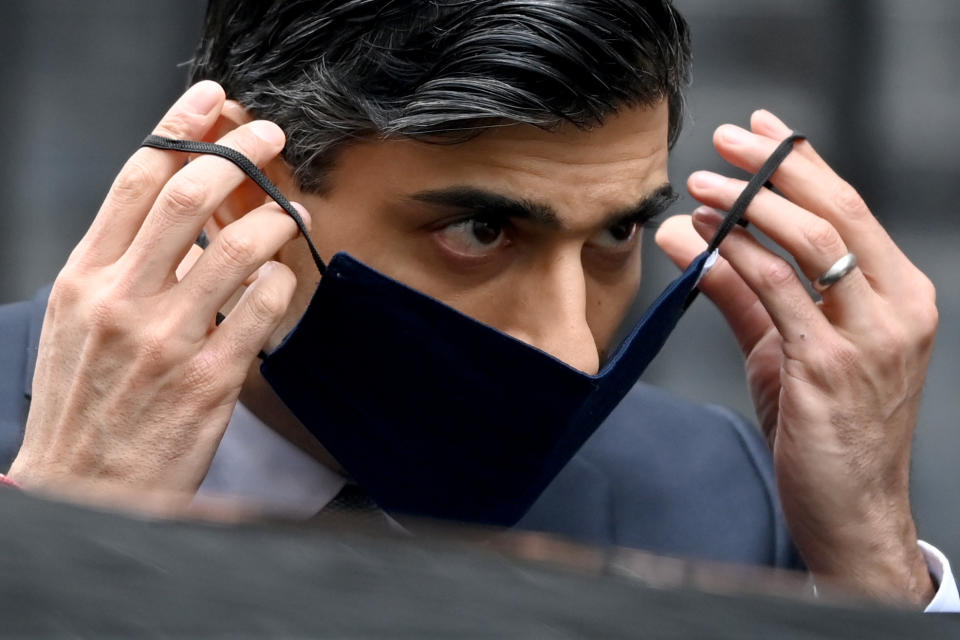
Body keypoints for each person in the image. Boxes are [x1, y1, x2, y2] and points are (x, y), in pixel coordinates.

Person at [0, 0, 955, 611]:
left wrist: (870, 566)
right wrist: (61, 535)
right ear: (246, 195)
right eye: (480, 232)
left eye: (615, 236)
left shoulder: (727, 497)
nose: (572, 351)